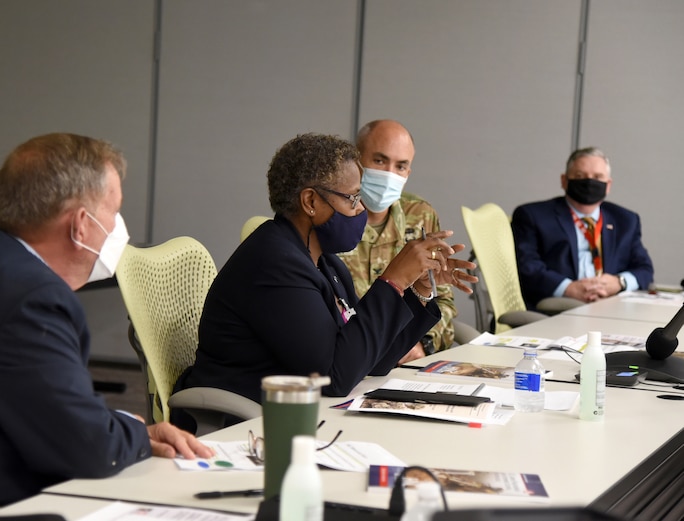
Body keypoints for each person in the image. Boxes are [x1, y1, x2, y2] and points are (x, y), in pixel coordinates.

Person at [0, 133, 212, 506]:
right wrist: (133, 430)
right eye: (113, 212)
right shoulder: (30, 300)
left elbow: (51, 404)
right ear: (81, 224)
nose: (118, 228)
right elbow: (90, 450)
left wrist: (114, 426)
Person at [173, 133, 476, 424]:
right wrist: (393, 281)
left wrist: (418, 288)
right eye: (353, 198)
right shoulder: (273, 263)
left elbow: (370, 358)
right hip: (239, 423)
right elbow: (336, 376)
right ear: (310, 202)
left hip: (299, 412)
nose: (361, 209)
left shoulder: (325, 263)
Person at [338, 120, 457, 360]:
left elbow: (442, 301)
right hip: (345, 362)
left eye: (401, 166)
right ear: (355, 160)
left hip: (406, 366)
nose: (389, 174)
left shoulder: (420, 215)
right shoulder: (330, 219)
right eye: (379, 161)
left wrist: (423, 344)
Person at [511, 146, 654, 309]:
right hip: (553, 309)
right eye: (580, 176)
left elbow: (645, 269)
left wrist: (619, 282)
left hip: (609, 308)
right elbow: (527, 266)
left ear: (608, 185)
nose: (589, 182)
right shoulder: (533, 216)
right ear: (564, 181)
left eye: (597, 177)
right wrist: (569, 288)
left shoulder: (625, 220)